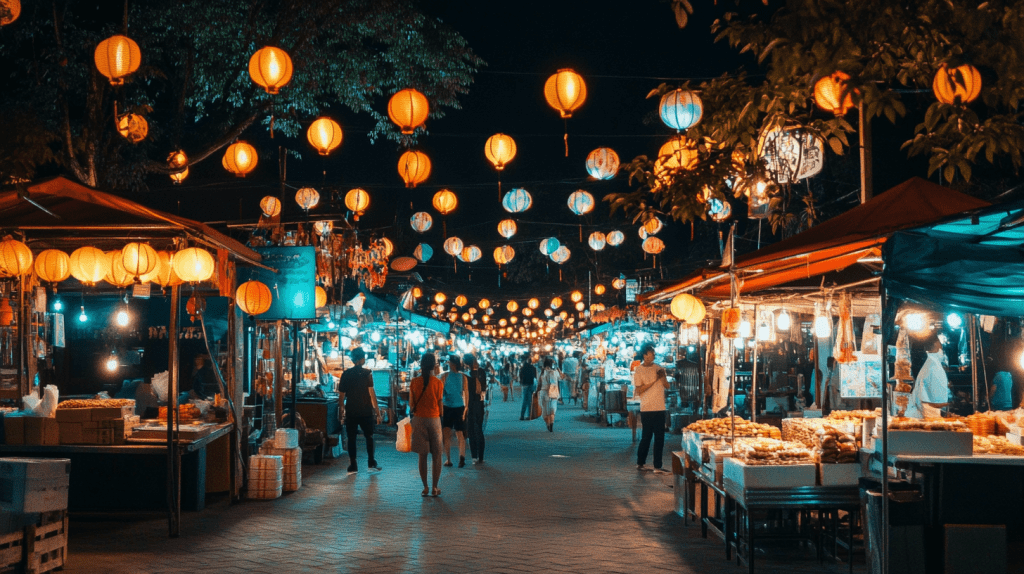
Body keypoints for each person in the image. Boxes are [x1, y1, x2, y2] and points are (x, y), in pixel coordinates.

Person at [337, 347, 381, 473]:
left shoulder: (346, 374)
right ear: (362, 359)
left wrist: (341, 411)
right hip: (366, 410)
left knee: (351, 438)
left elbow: (341, 396)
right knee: (369, 436)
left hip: (351, 410)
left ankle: (353, 465)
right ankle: (371, 462)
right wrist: (377, 412)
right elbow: (372, 394)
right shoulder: (368, 373)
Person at [410, 353, 444, 497]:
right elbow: (440, 406)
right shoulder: (438, 383)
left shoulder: (414, 382)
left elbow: (411, 405)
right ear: (434, 366)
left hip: (419, 420)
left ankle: (425, 487)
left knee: (422, 455)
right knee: (436, 455)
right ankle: (435, 487)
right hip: (434, 419)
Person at [633, 344, 670, 474]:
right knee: (646, 437)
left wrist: (663, 377)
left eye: (654, 353)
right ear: (645, 355)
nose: (653, 355)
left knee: (660, 438)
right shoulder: (638, 370)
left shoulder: (659, 368)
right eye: (651, 353)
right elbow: (639, 389)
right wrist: (654, 380)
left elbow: (667, 386)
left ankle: (658, 466)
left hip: (660, 407)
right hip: (647, 408)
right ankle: (640, 462)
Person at [906, 338, 950, 419]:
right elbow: (935, 403)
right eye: (941, 347)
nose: (942, 350)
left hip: (922, 415)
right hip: (928, 417)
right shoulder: (934, 367)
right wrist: (952, 403)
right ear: (936, 348)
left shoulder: (929, 364)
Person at [441, 355, 469, 468]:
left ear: (450, 363)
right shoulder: (463, 377)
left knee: (446, 434)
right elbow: (466, 393)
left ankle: (448, 460)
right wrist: (466, 408)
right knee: (460, 434)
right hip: (460, 407)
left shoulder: (444, 376)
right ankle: (462, 458)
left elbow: (440, 393)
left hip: (447, 407)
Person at [464, 354, 487, 464]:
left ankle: (474, 457)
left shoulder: (465, 375)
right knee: (479, 430)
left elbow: (464, 393)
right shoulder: (482, 372)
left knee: (471, 431)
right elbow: (484, 390)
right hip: (480, 405)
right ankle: (481, 456)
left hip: (469, 406)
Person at [538, 357, 561, 432]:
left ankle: (548, 423)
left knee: (545, 411)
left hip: (544, 393)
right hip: (553, 394)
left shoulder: (542, 372)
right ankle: (551, 424)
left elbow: (539, 384)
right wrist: (558, 368)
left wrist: (536, 392)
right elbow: (561, 378)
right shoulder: (554, 372)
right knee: (552, 410)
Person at [519, 354, 537, 420]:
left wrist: (521, 382)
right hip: (531, 385)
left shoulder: (523, 367)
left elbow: (520, 376)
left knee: (524, 401)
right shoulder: (533, 368)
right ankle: (529, 416)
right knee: (530, 401)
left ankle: (522, 416)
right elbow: (535, 377)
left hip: (525, 385)